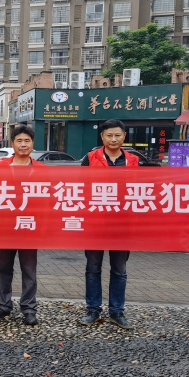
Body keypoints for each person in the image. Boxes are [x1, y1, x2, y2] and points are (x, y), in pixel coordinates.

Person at [79, 119, 139, 329]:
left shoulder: (133, 160)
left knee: (119, 270)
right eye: (109, 135)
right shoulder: (89, 158)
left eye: (117, 135)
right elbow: (80, 187)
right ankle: (93, 309)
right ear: (102, 136)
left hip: (123, 224)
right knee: (93, 268)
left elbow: (140, 189)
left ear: (124, 136)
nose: (113, 139)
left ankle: (117, 311)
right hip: (95, 223)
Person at [0, 125, 44, 326]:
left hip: (30, 226)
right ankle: (3, 305)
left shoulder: (42, 169)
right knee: (4, 268)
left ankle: (28, 308)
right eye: (19, 141)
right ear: (12, 144)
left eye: (27, 141)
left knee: (29, 270)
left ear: (32, 144)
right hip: (5, 226)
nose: (23, 145)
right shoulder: (1, 166)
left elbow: (46, 200)